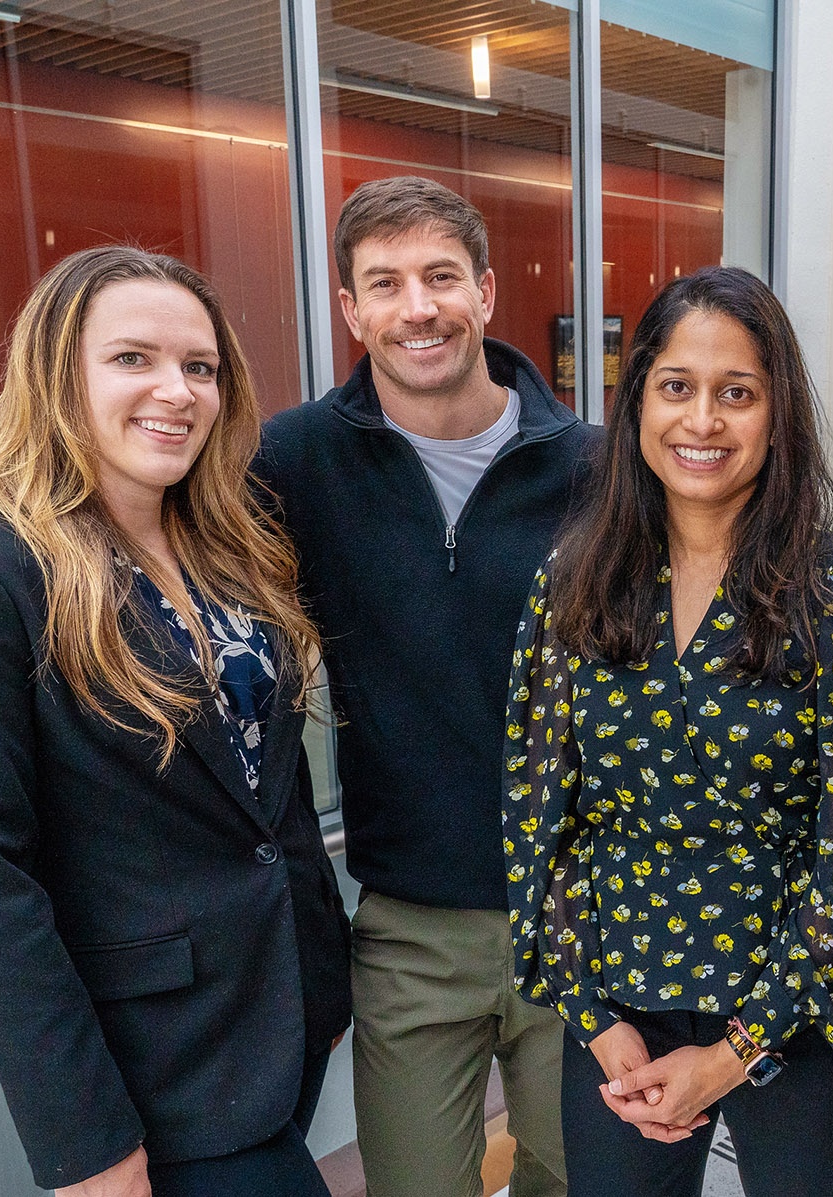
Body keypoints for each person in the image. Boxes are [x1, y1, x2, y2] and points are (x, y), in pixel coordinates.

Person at [0, 246, 352, 1197]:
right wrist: (83, 1144)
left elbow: (268, 795)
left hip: (281, 1021)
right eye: (132, 358)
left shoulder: (234, 554)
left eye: (200, 366)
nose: (175, 391)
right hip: (149, 1076)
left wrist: (322, 965)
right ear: (60, 377)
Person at [505, 266, 833, 1197]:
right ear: (637, 399)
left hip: (798, 1014)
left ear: (778, 415)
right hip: (620, 1010)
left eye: (738, 394)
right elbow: (537, 823)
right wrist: (596, 1019)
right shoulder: (571, 588)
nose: (703, 421)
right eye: (676, 387)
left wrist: (736, 1050)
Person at [255, 176, 596, 1197]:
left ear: (485, 291)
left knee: (579, 1176)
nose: (419, 308)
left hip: (579, 906)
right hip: (408, 924)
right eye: (386, 284)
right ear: (352, 311)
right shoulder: (293, 461)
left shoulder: (595, 466)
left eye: (441, 276)